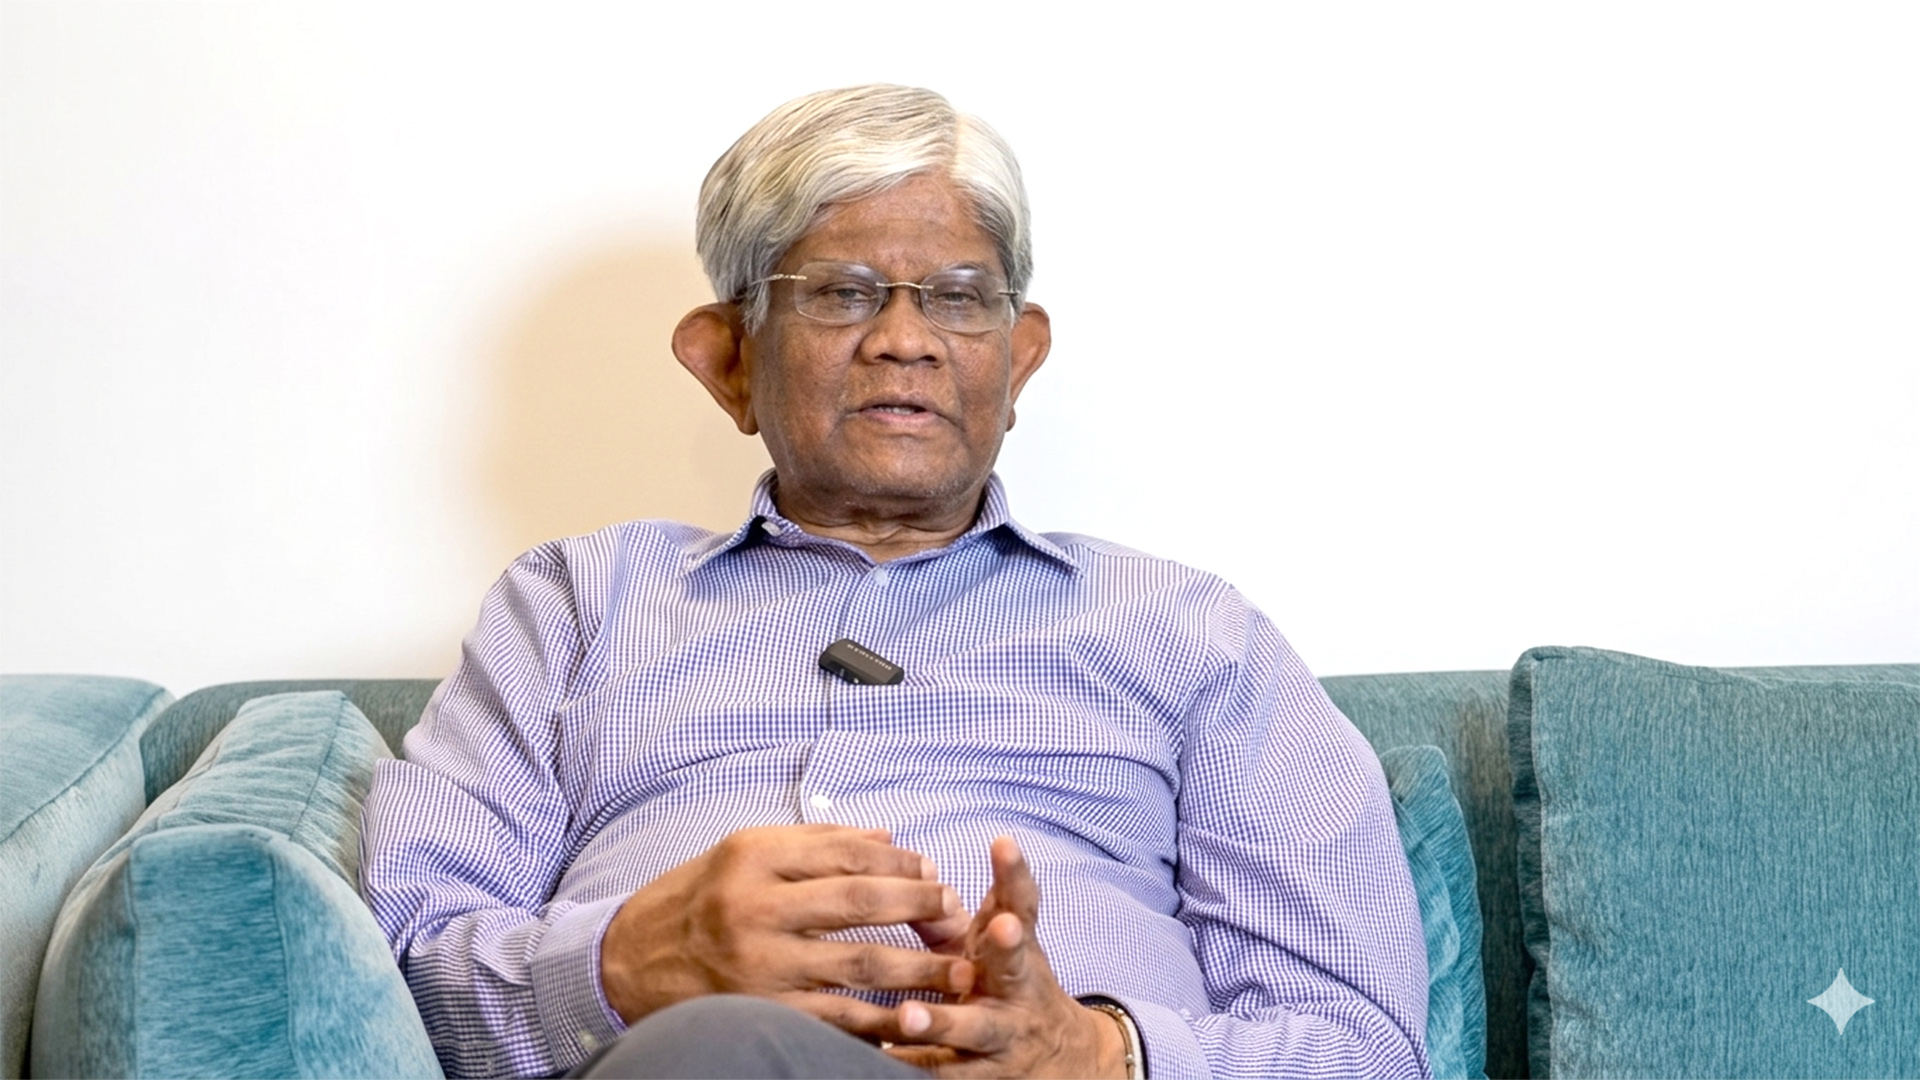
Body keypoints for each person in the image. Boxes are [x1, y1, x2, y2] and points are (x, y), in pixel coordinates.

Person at [360, 84, 1430, 1080]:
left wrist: (1098, 1053)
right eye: (842, 294)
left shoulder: (1193, 634)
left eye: (960, 298)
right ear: (730, 360)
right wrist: (626, 964)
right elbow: (389, 987)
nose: (906, 341)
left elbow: (1369, 1045)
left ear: (1017, 358)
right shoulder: (574, 605)